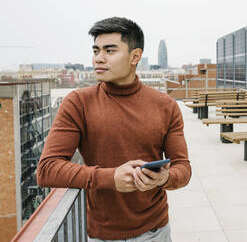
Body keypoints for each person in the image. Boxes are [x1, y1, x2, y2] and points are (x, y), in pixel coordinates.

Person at [37, 17, 191, 242]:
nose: (99, 58)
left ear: (135, 56)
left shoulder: (165, 105)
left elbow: (183, 169)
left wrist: (163, 178)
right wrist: (110, 177)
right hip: (102, 235)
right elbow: (47, 170)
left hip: (156, 231)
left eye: (110, 51)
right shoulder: (78, 102)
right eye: (96, 50)